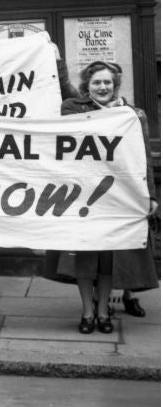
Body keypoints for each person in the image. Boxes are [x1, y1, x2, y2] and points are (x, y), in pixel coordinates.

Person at [42, 60, 159, 334]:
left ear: (115, 85)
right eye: (96, 82)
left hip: (118, 197)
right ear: (87, 86)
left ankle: (104, 312)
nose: (102, 87)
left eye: (107, 82)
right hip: (83, 198)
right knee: (85, 257)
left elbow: (143, 157)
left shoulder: (134, 114)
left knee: (108, 259)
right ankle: (87, 312)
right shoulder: (73, 108)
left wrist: (151, 196)